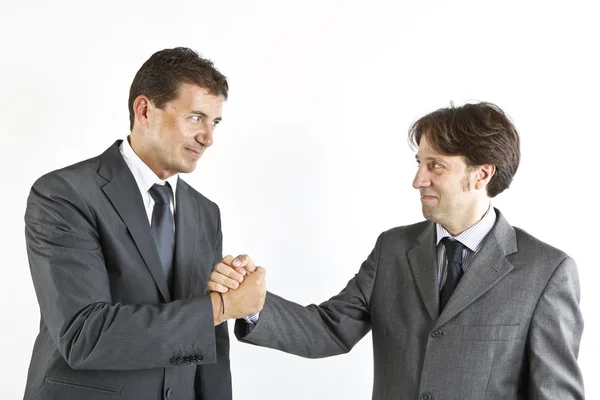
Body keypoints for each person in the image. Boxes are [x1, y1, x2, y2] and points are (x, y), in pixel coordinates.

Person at [209, 102, 585, 399]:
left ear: (482, 174)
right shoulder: (393, 248)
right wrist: (253, 305)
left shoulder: (546, 271)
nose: (418, 180)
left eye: (435, 166)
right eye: (420, 163)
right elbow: (329, 329)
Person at [23, 47, 265, 400]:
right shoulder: (64, 194)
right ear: (144, 110)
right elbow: (84, 336)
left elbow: (211, 347)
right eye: (196, 118)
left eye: (214, 123)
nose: (208, 138)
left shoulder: (205, 212)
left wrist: (230, 290)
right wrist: (223, 307)